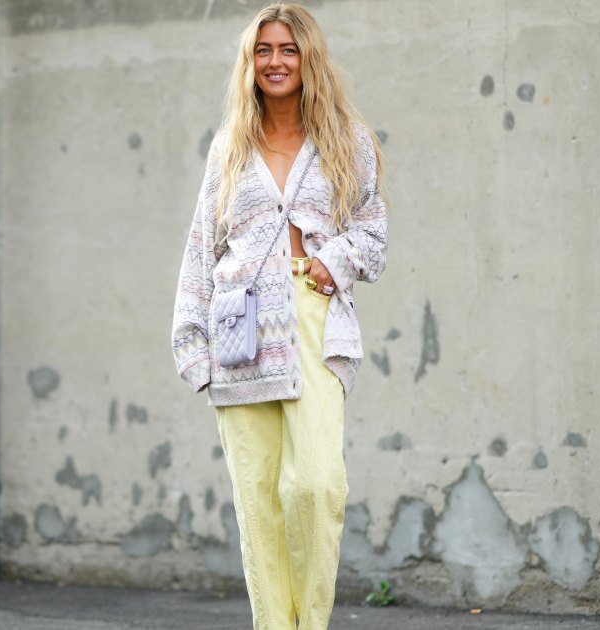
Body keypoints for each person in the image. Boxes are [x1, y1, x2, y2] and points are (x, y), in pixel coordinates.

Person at [170, 3, 387, 628]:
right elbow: (202, 247)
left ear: (309, 58)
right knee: (259, 505)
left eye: (288, 49)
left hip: (313, 320)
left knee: (315, 486)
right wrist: (192, 344)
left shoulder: (347, 141)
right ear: (250, 62)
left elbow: (373, 234)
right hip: (239, 333)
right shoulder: (229, 149)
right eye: (263, 50)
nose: (275, 61)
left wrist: (334, 260)